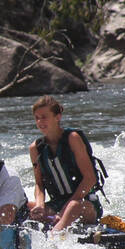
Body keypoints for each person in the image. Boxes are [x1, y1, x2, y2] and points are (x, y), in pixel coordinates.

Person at [28, 96, 105, 232]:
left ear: (58, 117)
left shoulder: (73, 138)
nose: (40, 122)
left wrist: (65, 209)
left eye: (44, 117)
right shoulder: (35, 148)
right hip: (57, 203)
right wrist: (39, 205)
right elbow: (39, 184)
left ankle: (54, 238)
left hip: (84, 203)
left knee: (72, 207)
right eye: (37, 118)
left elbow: (90, 178)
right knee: (28, 207)